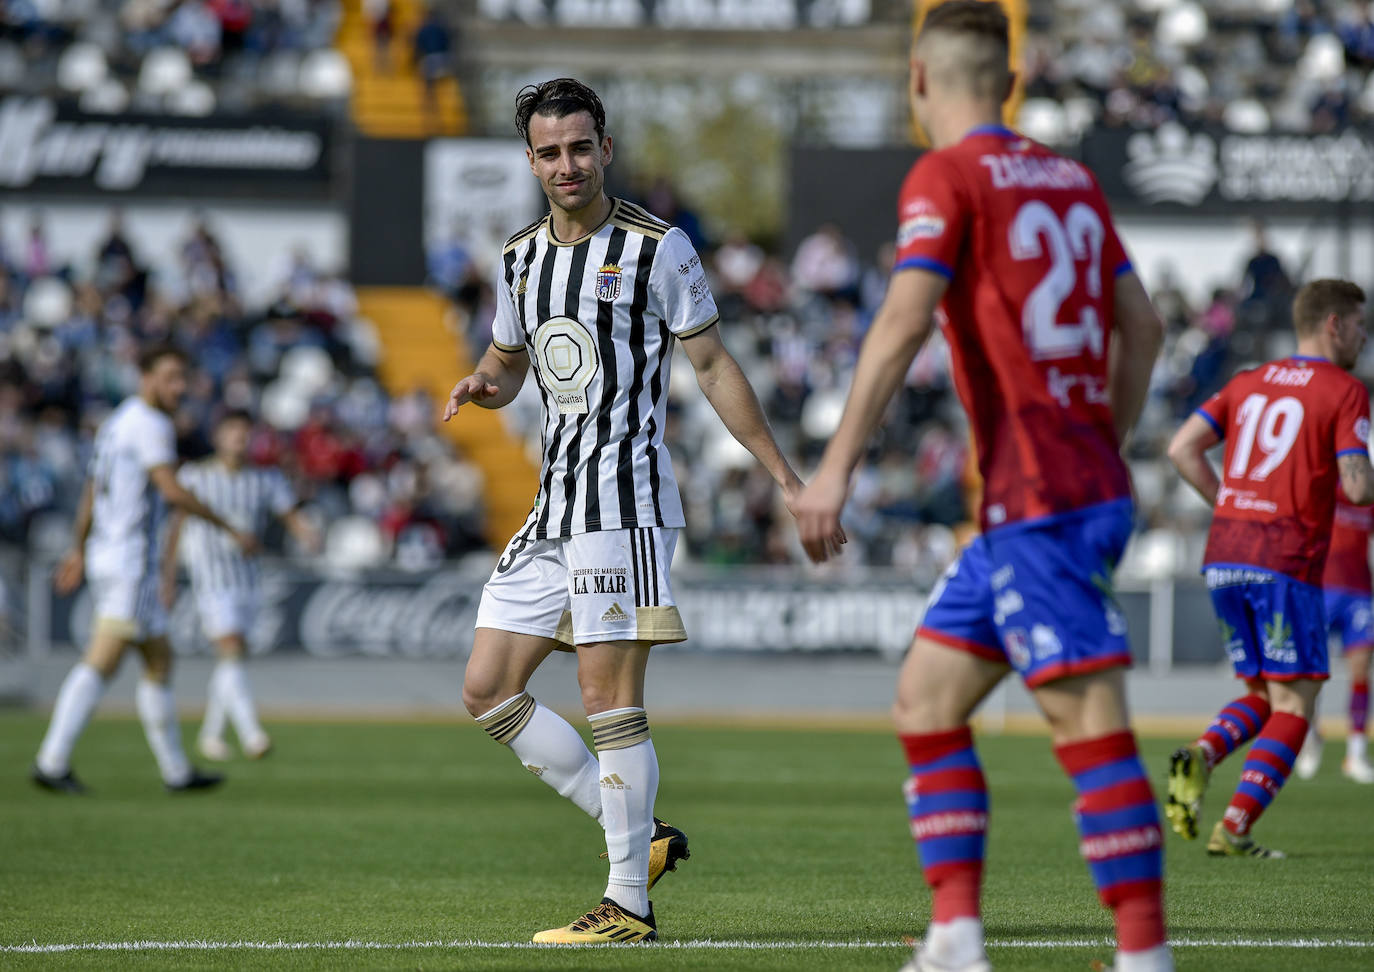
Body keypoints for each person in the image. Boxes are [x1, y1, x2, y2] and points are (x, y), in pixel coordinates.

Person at [793, 4, 1171, 971]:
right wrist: (1104, 442)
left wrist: (832, 469)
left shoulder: (947, 174)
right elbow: (1146, 327)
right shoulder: (1072, 179)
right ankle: (956, 937)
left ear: (920, 81)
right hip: (1057, 486)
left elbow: (903, 321)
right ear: (1008, 83)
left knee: (1086, 721)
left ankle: (1143, 955)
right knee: (926, 696)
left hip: (1040, 492)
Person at [443, 77, 838, 945]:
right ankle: (640, 838)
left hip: (624, 503)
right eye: (549, 151)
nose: (567, 164)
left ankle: (628, 906)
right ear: (531, 160)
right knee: (485, 689)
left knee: (604, 695)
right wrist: (484, 384)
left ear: (606, 148)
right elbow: (511, 362)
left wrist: (784, 476)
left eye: (580, 147)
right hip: (554, 507)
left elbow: (715, 366)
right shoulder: (517, 258)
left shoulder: (660, 248)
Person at [1167, 279, 1374, 858]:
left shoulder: (1247, 381)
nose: (1364, 335)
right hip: (1285, 560)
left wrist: (1230, 504)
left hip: (1226, 555)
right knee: (1297, 704)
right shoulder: (1344, 390)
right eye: (1360, 324)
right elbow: (1357, 487)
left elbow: (1182, 448)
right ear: (1333, 324)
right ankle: (1234, 828)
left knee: (1262, 691)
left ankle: (1202, 754)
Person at [32, 344, 257, 794]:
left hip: (112, 555)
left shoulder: (116, 423)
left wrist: (79, 549)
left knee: (159, 659)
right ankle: (51, 761)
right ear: (146, 376)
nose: (180, 388)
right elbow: (171, 491)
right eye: (171, 377)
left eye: (183, 379)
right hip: (131, 561)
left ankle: (176, 772)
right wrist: (228, 526)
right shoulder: (151, 424)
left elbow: (93, 492)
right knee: (104, 658)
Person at [161, 409, 320, 762]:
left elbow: (288, 513)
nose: (239, 438)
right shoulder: (195, 476)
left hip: (247, 579)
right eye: (232, 430)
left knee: (232, 660)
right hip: (212, 579)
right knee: (231, 650)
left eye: (245, 432)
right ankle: (252, 734)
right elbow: (176, 527)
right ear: (218, 436)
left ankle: (211, 734)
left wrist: (307, 534)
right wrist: (167, 575)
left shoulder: (264, 479)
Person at [1293, 483, 1374, 783]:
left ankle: (1356, 751)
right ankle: (1311, 734)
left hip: (1359, 592)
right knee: (1314, 670)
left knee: (1362, 669)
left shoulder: (1368, 496)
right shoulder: (1327, 489)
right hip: (1322, 588)